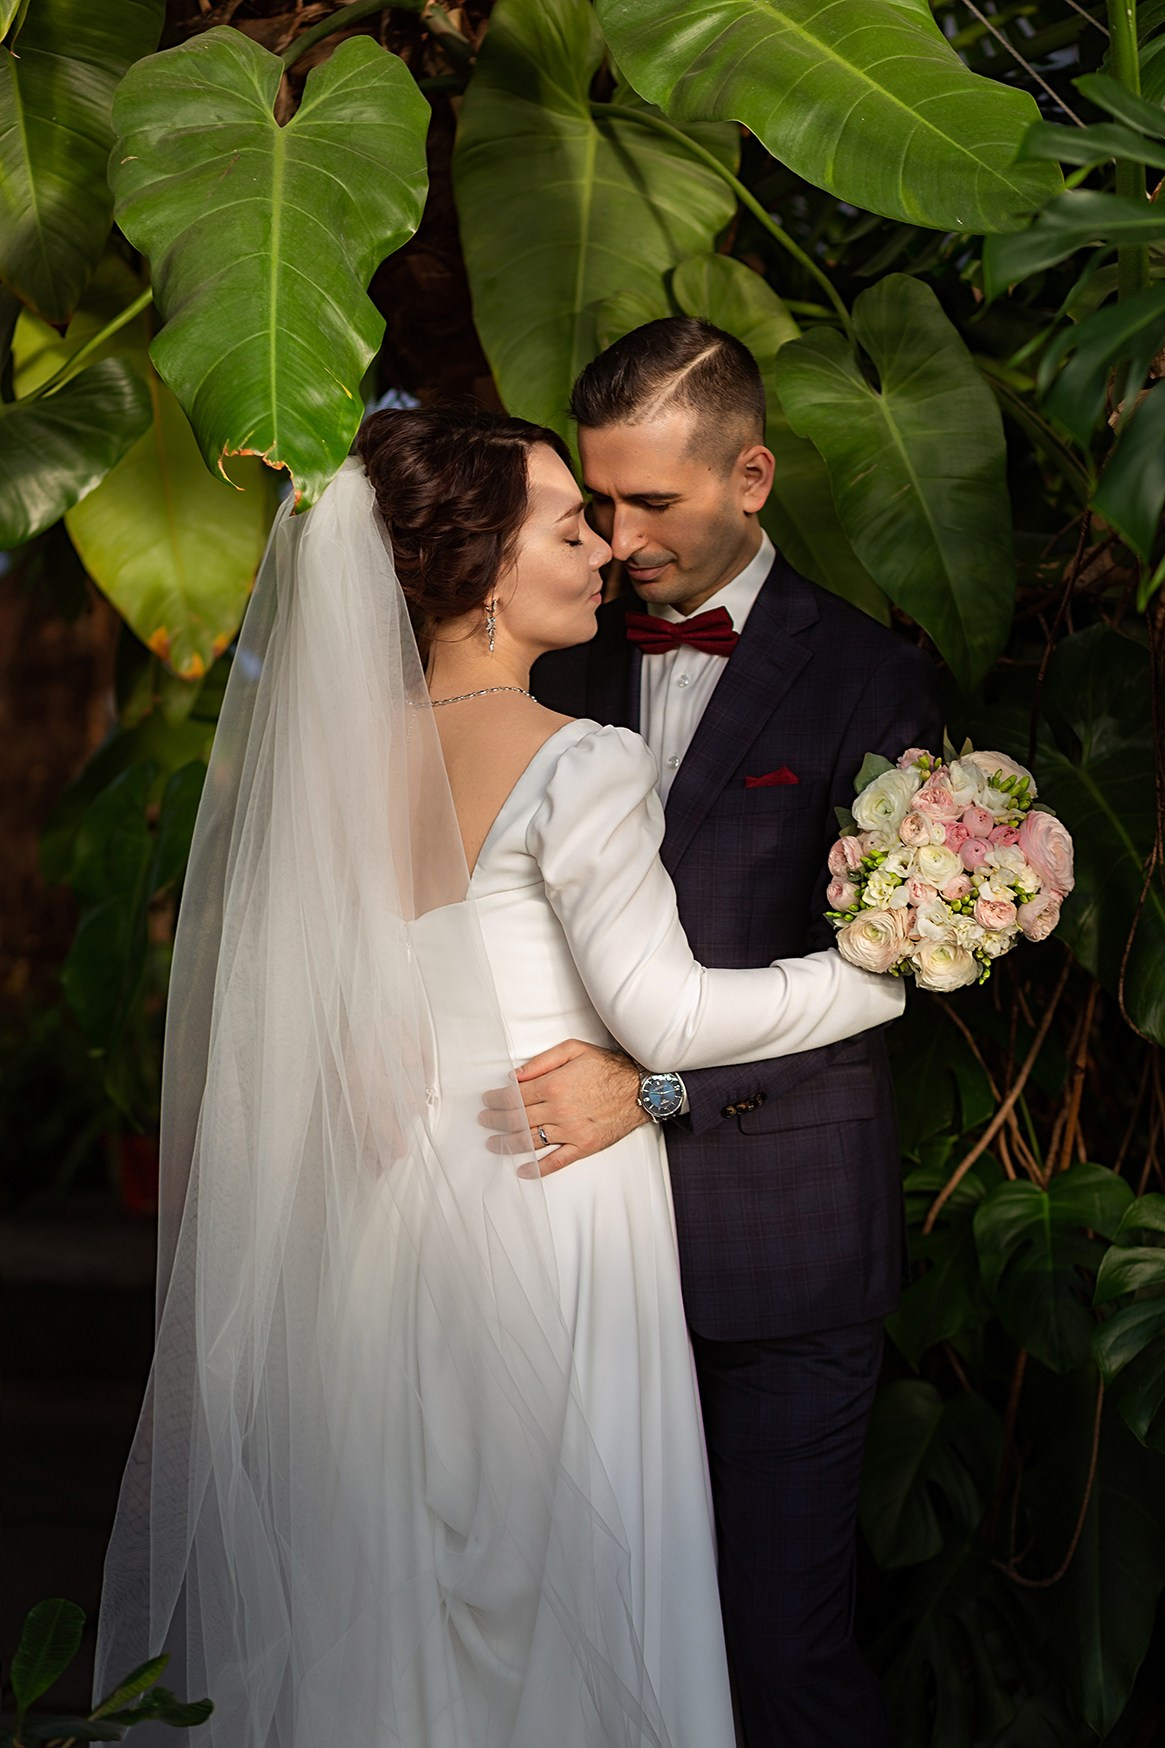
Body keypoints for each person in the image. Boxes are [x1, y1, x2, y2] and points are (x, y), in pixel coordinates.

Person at [95, 404, 906, 1748]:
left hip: (387, 1220)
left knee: (397, 1572)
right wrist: (873, 971)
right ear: (480, 570)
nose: (600, 552)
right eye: (567, 525)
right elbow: (671, 1017)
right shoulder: (576, 761)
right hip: (551, 1204)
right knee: (569, 1583)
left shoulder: (329, 769)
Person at [527, 318, 944, 1748]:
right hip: (565, 1241)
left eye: (654, 502)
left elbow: (881, 975)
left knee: (778, 1659)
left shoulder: (864, 675)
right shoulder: (550, 650)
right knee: (603, 1652)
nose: (618, 536)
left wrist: (647, 1095)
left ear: (751, 476)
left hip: (774, 1257)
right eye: (599, 500)